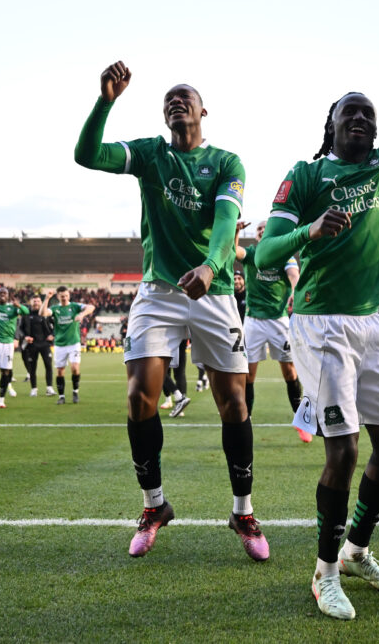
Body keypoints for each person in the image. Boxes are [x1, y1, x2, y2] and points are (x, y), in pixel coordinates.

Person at [256, 0, 379, 620]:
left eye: (368, 111)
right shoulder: (306, 176)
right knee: (345, 450)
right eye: (349, 111)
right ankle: (323, 571)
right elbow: (265, 253)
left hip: (371, 324)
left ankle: (359, 549)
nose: (361, 118)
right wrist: (308, 230)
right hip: (319, 326)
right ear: (330, 125)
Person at [74, 59, 267, 562]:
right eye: (168, 100)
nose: (176, 102)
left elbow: (227, 222)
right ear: (165, 117)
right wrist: (106, 101)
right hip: (159, 291)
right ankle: (154, 506)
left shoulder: (227, 162)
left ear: (204, 111)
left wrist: (209, 265)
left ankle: (242, 511)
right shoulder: (149, 154)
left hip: (216, 289)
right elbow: (86, 154)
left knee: (235, 403)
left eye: (186, 97)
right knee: (140, 396)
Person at [234, 220, 309, 443]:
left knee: (290, 371)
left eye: (264, 229)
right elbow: (232, 251)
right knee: (248, 373)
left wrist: (296, 290)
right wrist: (236, 233)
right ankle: (245, 420)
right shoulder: (251, 253)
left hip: (279, 321)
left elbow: (294, 275)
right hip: (254, 321)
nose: (260, 231)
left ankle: (301, 421)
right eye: (258, 229)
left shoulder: (283, 254)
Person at [40, 287, 95, 404]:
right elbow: (42, 313)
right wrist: (47, 298)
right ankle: (61, 396)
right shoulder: (55, 308)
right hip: (60, 344)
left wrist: (82, 314)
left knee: (75, 368)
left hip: (74, 343)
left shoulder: (75, 306)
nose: (64, 298)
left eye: (66, 295)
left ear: (69, 295)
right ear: (58, 297)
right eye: (61, 296)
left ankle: (75, 392)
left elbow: (91, 307)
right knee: (60, 371)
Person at [20, 294, 56, 396]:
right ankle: (34, 389)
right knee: (32, 368)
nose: (36, 303)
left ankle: (49, 388)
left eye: (38, 301)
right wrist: (25, 337)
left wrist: (53, 335)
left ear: (41, 302)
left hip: (45, 344)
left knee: (48, 366)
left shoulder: (46, 313)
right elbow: (20, 328)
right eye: (34, 301)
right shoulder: (26, 314)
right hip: (32, 345)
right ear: (31, 302)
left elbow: (56, 326)